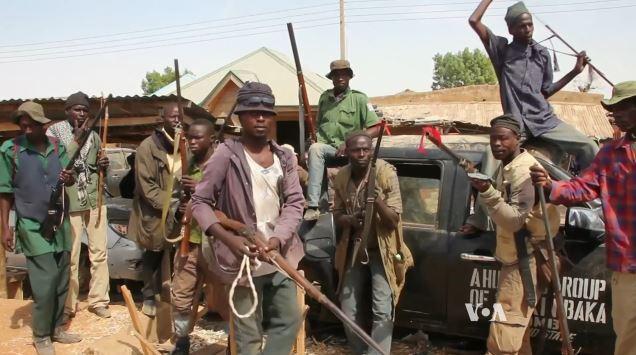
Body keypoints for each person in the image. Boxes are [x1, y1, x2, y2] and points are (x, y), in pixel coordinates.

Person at [191, 82, 305, 355]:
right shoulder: (226, 156)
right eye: (253, 112)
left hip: (280, 256)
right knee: (248, 336)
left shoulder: (284, 157)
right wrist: (230, 241)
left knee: (289, 320)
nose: (261, 117)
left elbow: (295, 203)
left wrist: (277, 239)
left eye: (266, 112)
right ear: (239, 117)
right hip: (243, 262)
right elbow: (200, 203)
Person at [530, 81, 636, 355]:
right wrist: (551, 186)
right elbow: (583, 187)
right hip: (628, 264)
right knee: (628, 337)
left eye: (622, 108)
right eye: (613, 109)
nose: (615, 115)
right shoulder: (610, 153)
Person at [468, 114, 559, 354]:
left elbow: (516, 221)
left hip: (524, 261)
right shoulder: (508, 165)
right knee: (518, 334)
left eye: (503, 139)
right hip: (516, 259)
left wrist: (486, 191)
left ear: (517, 138)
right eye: (493, 139)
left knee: (504, 334)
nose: (497, 144)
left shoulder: (524, 171)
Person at [469, 0, 599, 170]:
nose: (528, 29)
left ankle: (587, 191)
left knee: (589, 147)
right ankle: (488, 196)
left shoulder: (542, 53)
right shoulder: (501, 50)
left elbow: (545, 92)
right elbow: (474, 21)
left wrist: (575, 71)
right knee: (490, 158)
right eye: (522, 26)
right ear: (511, 30)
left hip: (544, 121)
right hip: (515, 125)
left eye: (530, 25)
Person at [0, 102, 82, 355]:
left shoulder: (57, 147)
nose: (26, 129)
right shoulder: (10, 150)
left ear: (43, 125)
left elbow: (71, 173)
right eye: (22, 125)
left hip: (60, 222)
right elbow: (4, 192)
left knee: (60, 279)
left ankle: (57, 327)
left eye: (31, 125)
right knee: (44, 280)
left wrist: (70, 177)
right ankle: (41, 335)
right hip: (32, 224)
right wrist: (5, 227)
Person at [333, 132, 413, 355]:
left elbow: (393, 220)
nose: (361, 154)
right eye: (356, 150)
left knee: (382, 310)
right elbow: (337, 214)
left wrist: (375, 199)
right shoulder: (342, 177)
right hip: (354, 248)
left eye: (366, 149)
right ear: (347, 152)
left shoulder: (386, 173)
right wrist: (350, 219)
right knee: (348, 310)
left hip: (383, 250)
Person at [46, 92, 111, 320]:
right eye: (76, 109)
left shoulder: (94, 135)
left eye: (84, 110)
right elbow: (55, 165)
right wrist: (76, 140)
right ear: (67, 111)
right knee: (71, 256)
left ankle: (99, 300)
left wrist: (104, 164)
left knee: (99, 254)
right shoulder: (54, 132)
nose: (81, 114)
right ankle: (68, 306)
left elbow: (97, 168)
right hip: (68, 202)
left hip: (94, 200)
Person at [304, 60, 382, 220]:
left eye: (343, 74)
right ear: (331, 78)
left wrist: (349, 143)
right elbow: (319, 126)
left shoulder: (359, 99)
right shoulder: (324, 98)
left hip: (351, 151)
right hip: (328, 149)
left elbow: (377, 128)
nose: (340, 77)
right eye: (336, 74)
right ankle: (314, 206)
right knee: (315, 149)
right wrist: (313, 141)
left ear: (349, 77)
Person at [128, 102, 185, 317]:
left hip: (180, 212)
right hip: (154, 211)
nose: (177, 120)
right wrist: (172, 206)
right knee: (153, 253)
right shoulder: (148, 147)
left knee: (179, 255)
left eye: (180, 117)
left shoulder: (185, 143)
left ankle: (174, 296)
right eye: (173, 116)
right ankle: (149, 297)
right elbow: (147, 187)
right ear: (163, 119)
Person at [171, 119, 219, 355]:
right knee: (181, 295)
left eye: (198, 137)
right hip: (188, 241)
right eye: (190, 137)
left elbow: (231, 199)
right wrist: (179, 207)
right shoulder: (186, 165)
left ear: (211, 139)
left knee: (225, 298)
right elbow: (176, 199)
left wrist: (201, 186)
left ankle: (235, 343)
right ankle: (181, 341)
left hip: (216, 243)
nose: (192, 142)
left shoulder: (222, 166)